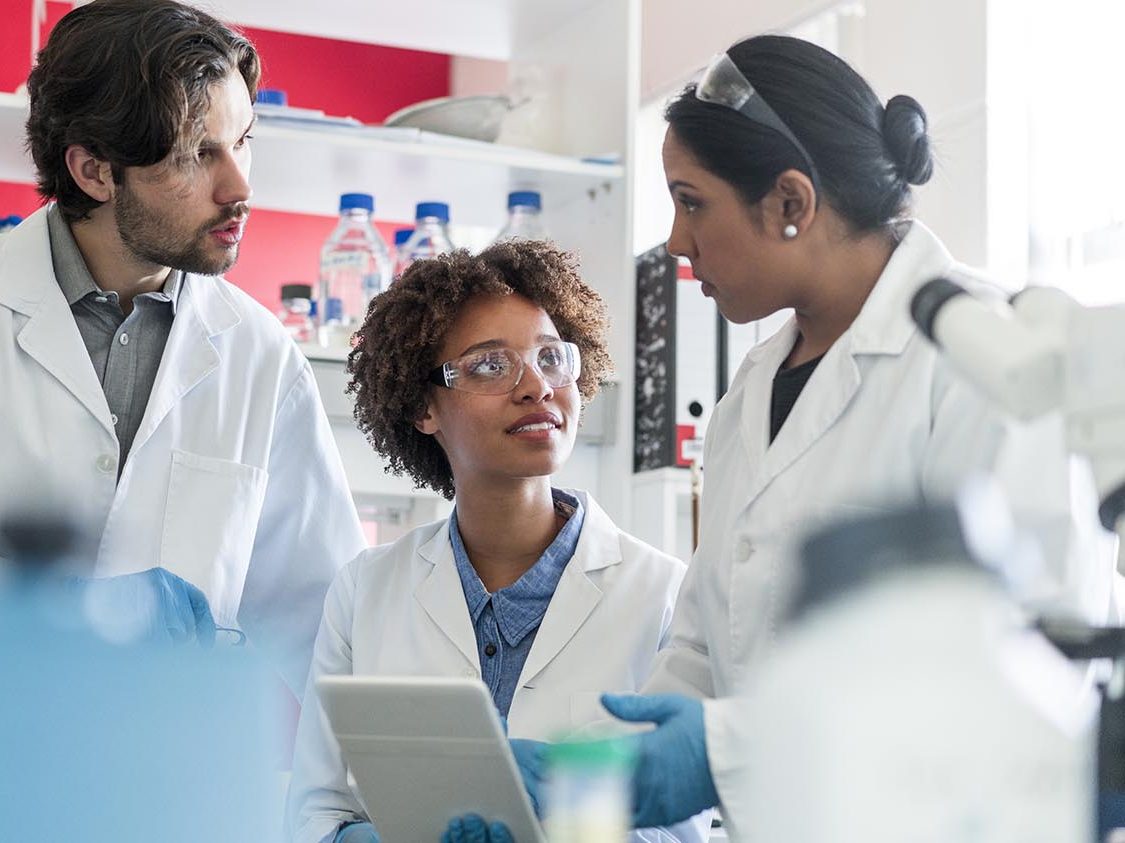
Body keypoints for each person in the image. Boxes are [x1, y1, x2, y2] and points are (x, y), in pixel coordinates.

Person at [508, 34, 1118, 842]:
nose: (675, 243)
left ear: (790, 203)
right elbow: (703, 639)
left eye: (691, 202)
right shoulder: (748, 392)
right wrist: (590, 784)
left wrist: (721, 753)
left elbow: (1033, 666)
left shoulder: (986, 356)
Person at [285, 241, 707, 843]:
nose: (537, 386)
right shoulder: (365, 589)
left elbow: (679, 830)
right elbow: (313, 814)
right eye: (490, 365)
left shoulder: (662, 594)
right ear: (422, 406)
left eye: (552, 358)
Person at [0, 0, 365, 691]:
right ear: (95, 171)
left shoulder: (261, 358)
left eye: (243, 140)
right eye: (199, 154)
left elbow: (321, 629)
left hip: (172, 775)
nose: (240, 187)